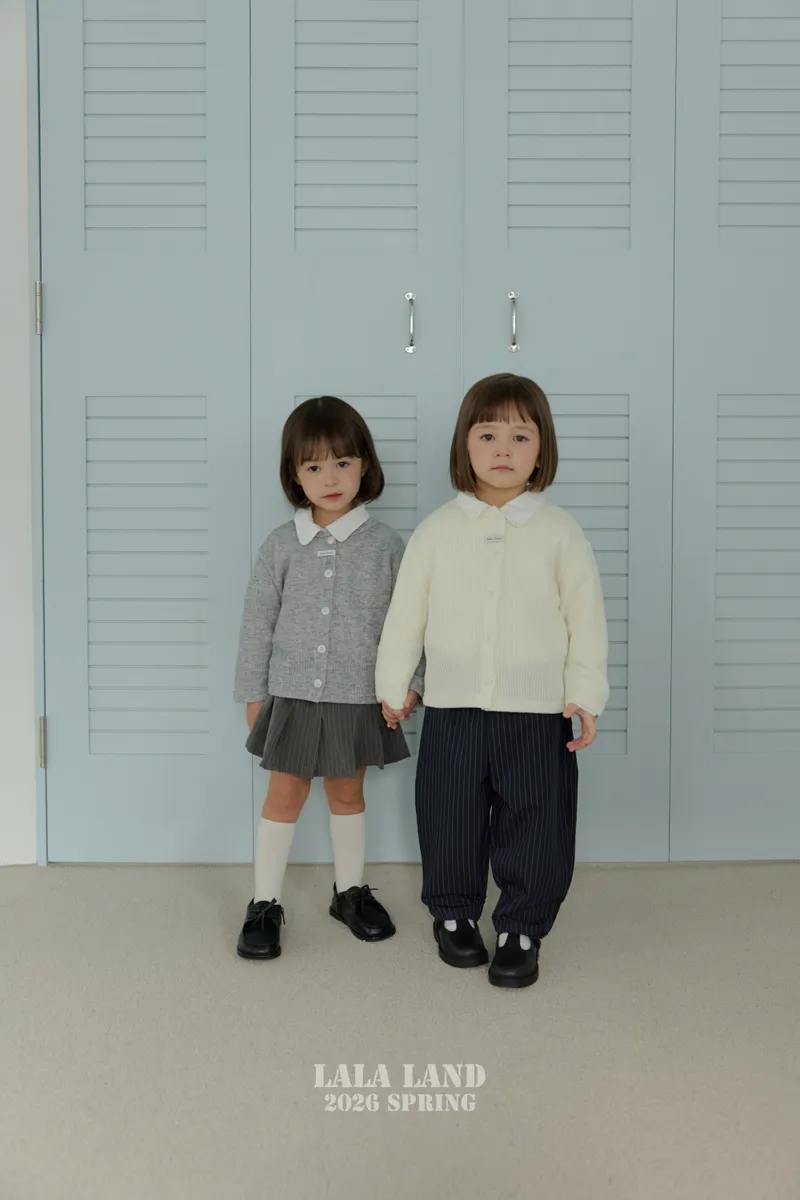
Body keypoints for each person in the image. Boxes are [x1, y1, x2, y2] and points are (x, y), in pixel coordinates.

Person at [376, 373, 609, 988]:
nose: (503, 449)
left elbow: (586, 621)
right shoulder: (437, 531)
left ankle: (521, 926)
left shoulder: (560, 533)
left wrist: (585, 695)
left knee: (538, 820)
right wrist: (393, 684)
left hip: (540, 713)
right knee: (448, 813)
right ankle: (453, 914)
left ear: (542, 448)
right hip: (452, 707)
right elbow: (407, 615)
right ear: (464, 444)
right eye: (487, 435)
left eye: (520, 436)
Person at [234, 396, 422, 961]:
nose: (331, 478)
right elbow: (257, 623)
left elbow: (412, 622)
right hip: (290, 696)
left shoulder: (387, 546)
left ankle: (349, 892)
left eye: (342, 462)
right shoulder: (280, 545)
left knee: (347, 791)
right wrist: (253, 694)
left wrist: (411, 683)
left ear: (365, 464)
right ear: (295, 475)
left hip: (357, 696)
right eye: (314, 466)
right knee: (284, 794)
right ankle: (264, 902)